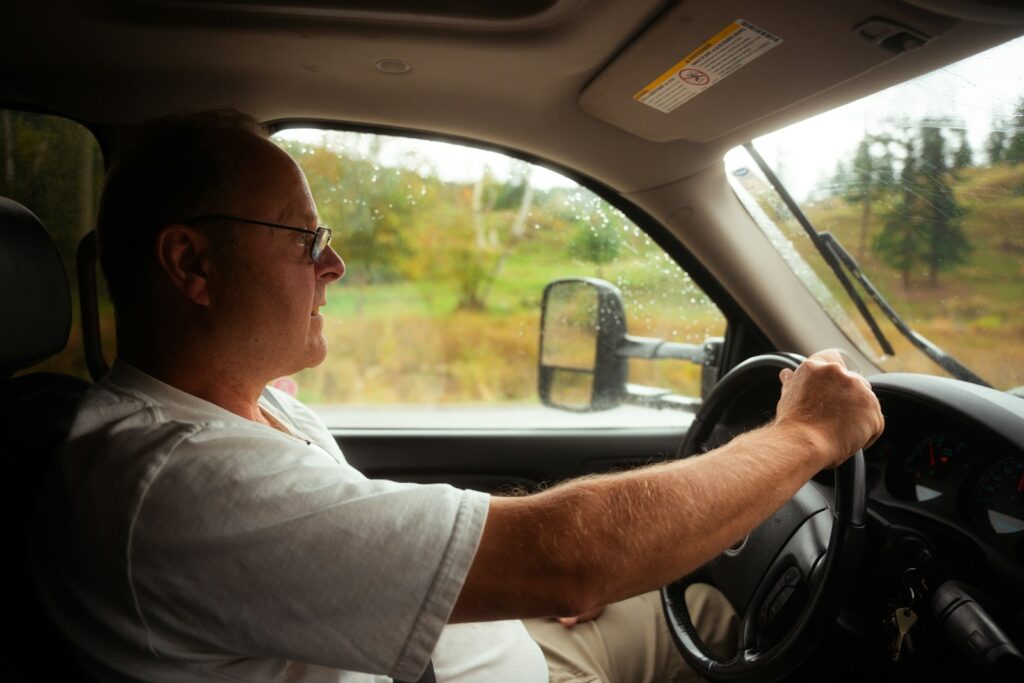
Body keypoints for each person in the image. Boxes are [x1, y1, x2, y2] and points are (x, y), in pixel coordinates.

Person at [31, 111, 884, 683]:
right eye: (306, 238)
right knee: (736, 626)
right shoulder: (167, 480)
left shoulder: (241, 408)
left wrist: (517, 573)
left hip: (479, 645)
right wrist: (804, 435)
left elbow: (374, 525)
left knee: (698, 602)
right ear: (191, 264)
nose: (334, 267)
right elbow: (566, 554)